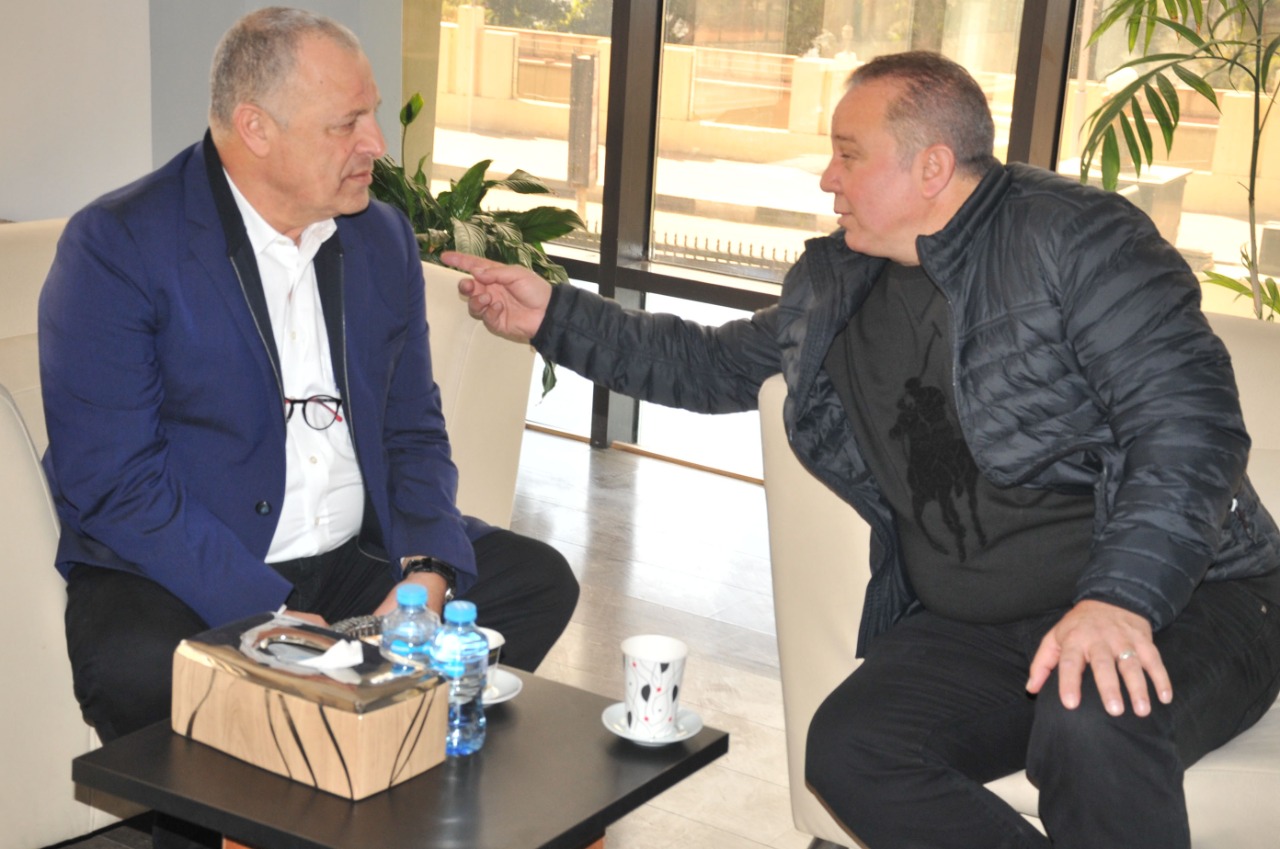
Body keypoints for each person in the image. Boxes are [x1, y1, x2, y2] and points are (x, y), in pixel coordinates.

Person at [444, 51, 1280, 848]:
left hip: (1193, 598)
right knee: (851, 749)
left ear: (931, 166)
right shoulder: (836, 285)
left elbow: (1188, 427)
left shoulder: (1079, 240)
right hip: (984, 627)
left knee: (1091, 714)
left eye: (849, 154)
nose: (827, 178)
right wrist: (554, 315)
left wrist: (1119, 598)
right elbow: (706, 364)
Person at [41, 5, 576, 764]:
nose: (376, 144)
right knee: (140, 666)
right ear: (256, 128)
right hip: (188, 565)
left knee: (537, 581)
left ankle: (383, 768)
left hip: (353, 556)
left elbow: (412, 428)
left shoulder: (379, 236)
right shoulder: (119, 244)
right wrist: (267, 611)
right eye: (346, 123)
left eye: (373, 115)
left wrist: (426, 569)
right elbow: (115, 482)